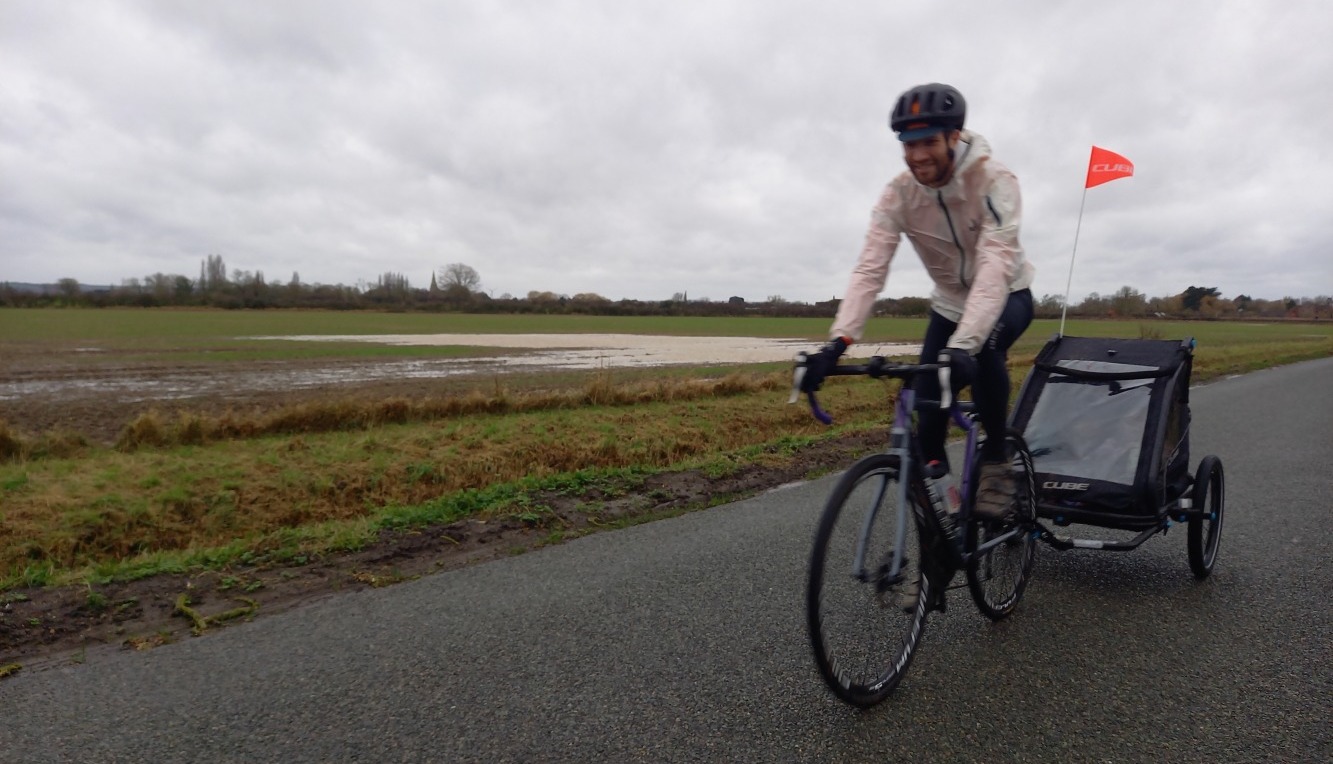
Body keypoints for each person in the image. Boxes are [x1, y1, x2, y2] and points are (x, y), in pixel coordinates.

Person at [801, 82, 1035, 519]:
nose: (917, 155)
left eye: (928, 142)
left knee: (983, 352)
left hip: (1007, 295)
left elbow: (994, 267)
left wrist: (965, 346)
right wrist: (838, 343)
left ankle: (999, 460)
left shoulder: (995, 182)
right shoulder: (898, 194)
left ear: (954, 136)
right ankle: (944, 528)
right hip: (948, 305)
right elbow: (870, 267)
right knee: (928, 419)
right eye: (908, 144)